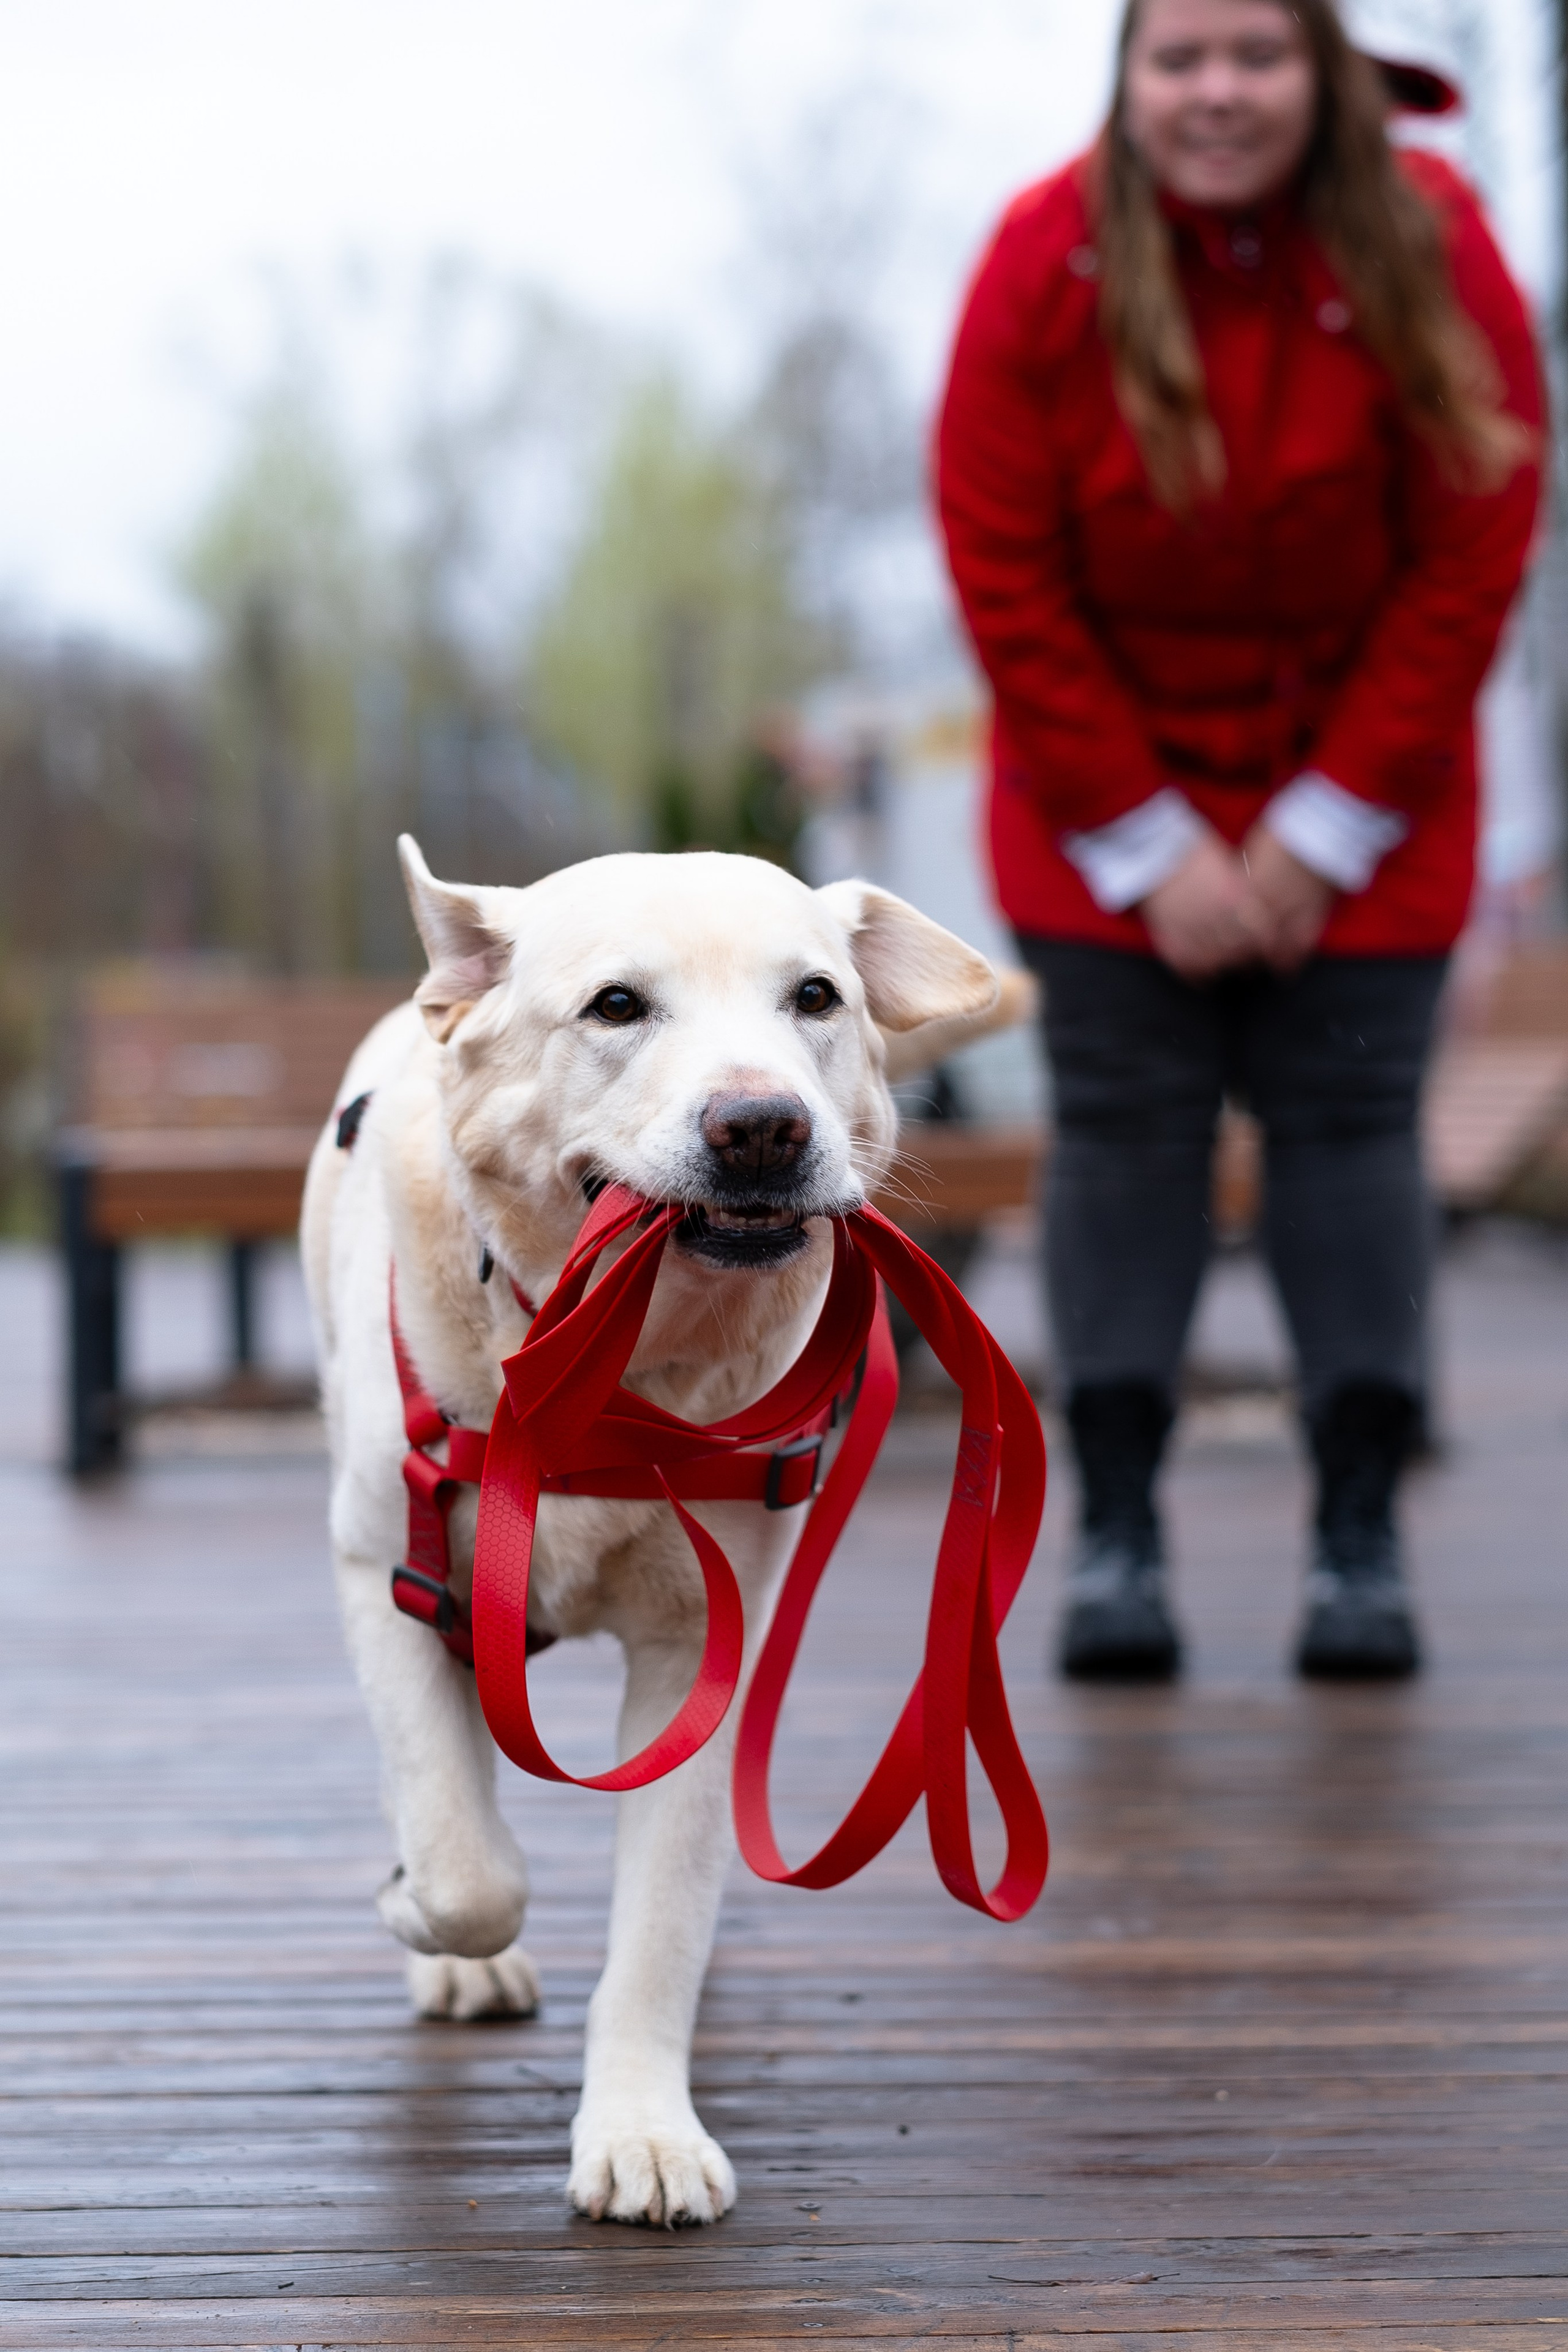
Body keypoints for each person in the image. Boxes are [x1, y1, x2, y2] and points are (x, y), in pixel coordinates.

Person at [937, 0, 1543, 1680]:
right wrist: (1153, 844)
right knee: (1125, 1137)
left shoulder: (1433, 239)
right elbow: (1003, 567)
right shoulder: (1040, 259)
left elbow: (1476, 542)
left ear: (1325, 71)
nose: (1219, 92)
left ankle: (1359, 1535)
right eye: (1181, 58)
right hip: (1101, 803)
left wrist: (1321, 830)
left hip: (1369, 796)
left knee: (1351, 1136)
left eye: (1257, 56)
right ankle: (1117, 1534)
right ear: (1127, 78)